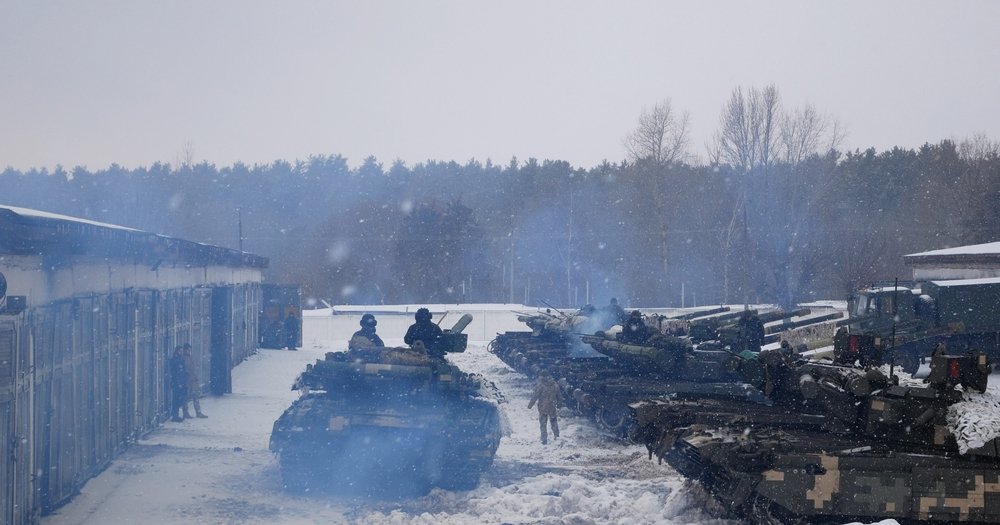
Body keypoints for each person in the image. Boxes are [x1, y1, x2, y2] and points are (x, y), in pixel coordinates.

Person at [527, 370, 562, 445]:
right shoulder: (555, 384)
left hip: (543, 408)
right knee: (554, 422)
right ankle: (557, 436)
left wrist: (530, 405)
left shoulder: (540, 385)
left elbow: (535, 396)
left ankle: (544, 440)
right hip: (552, 407)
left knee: (543, 424)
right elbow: (559, 396)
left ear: (542, 377)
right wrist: (559, 405)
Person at [180, 343, 207, 418]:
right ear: (185, 350)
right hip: (187, 381)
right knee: (186, 397)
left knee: (195, 396)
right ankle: (186, 413)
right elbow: (186, 371)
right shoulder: (183, 358)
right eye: (188, 350)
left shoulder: (189, 357)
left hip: (193, 380)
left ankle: (198, 412)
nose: (189, 351)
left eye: (190, 350)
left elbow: (192, 369)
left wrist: (195, 377)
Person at [168, 346, 188, 422]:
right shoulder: (175, 360)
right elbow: (175, 373)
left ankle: (176, 415)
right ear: (176, 351)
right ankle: (175, 416)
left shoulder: (180, 359)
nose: (181, 352)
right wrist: (178, 383)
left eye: (181, 351)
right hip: (177, 384)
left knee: (179, 399)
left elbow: (182, 372)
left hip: (181, 383)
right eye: (180, 351)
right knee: (176, 399)